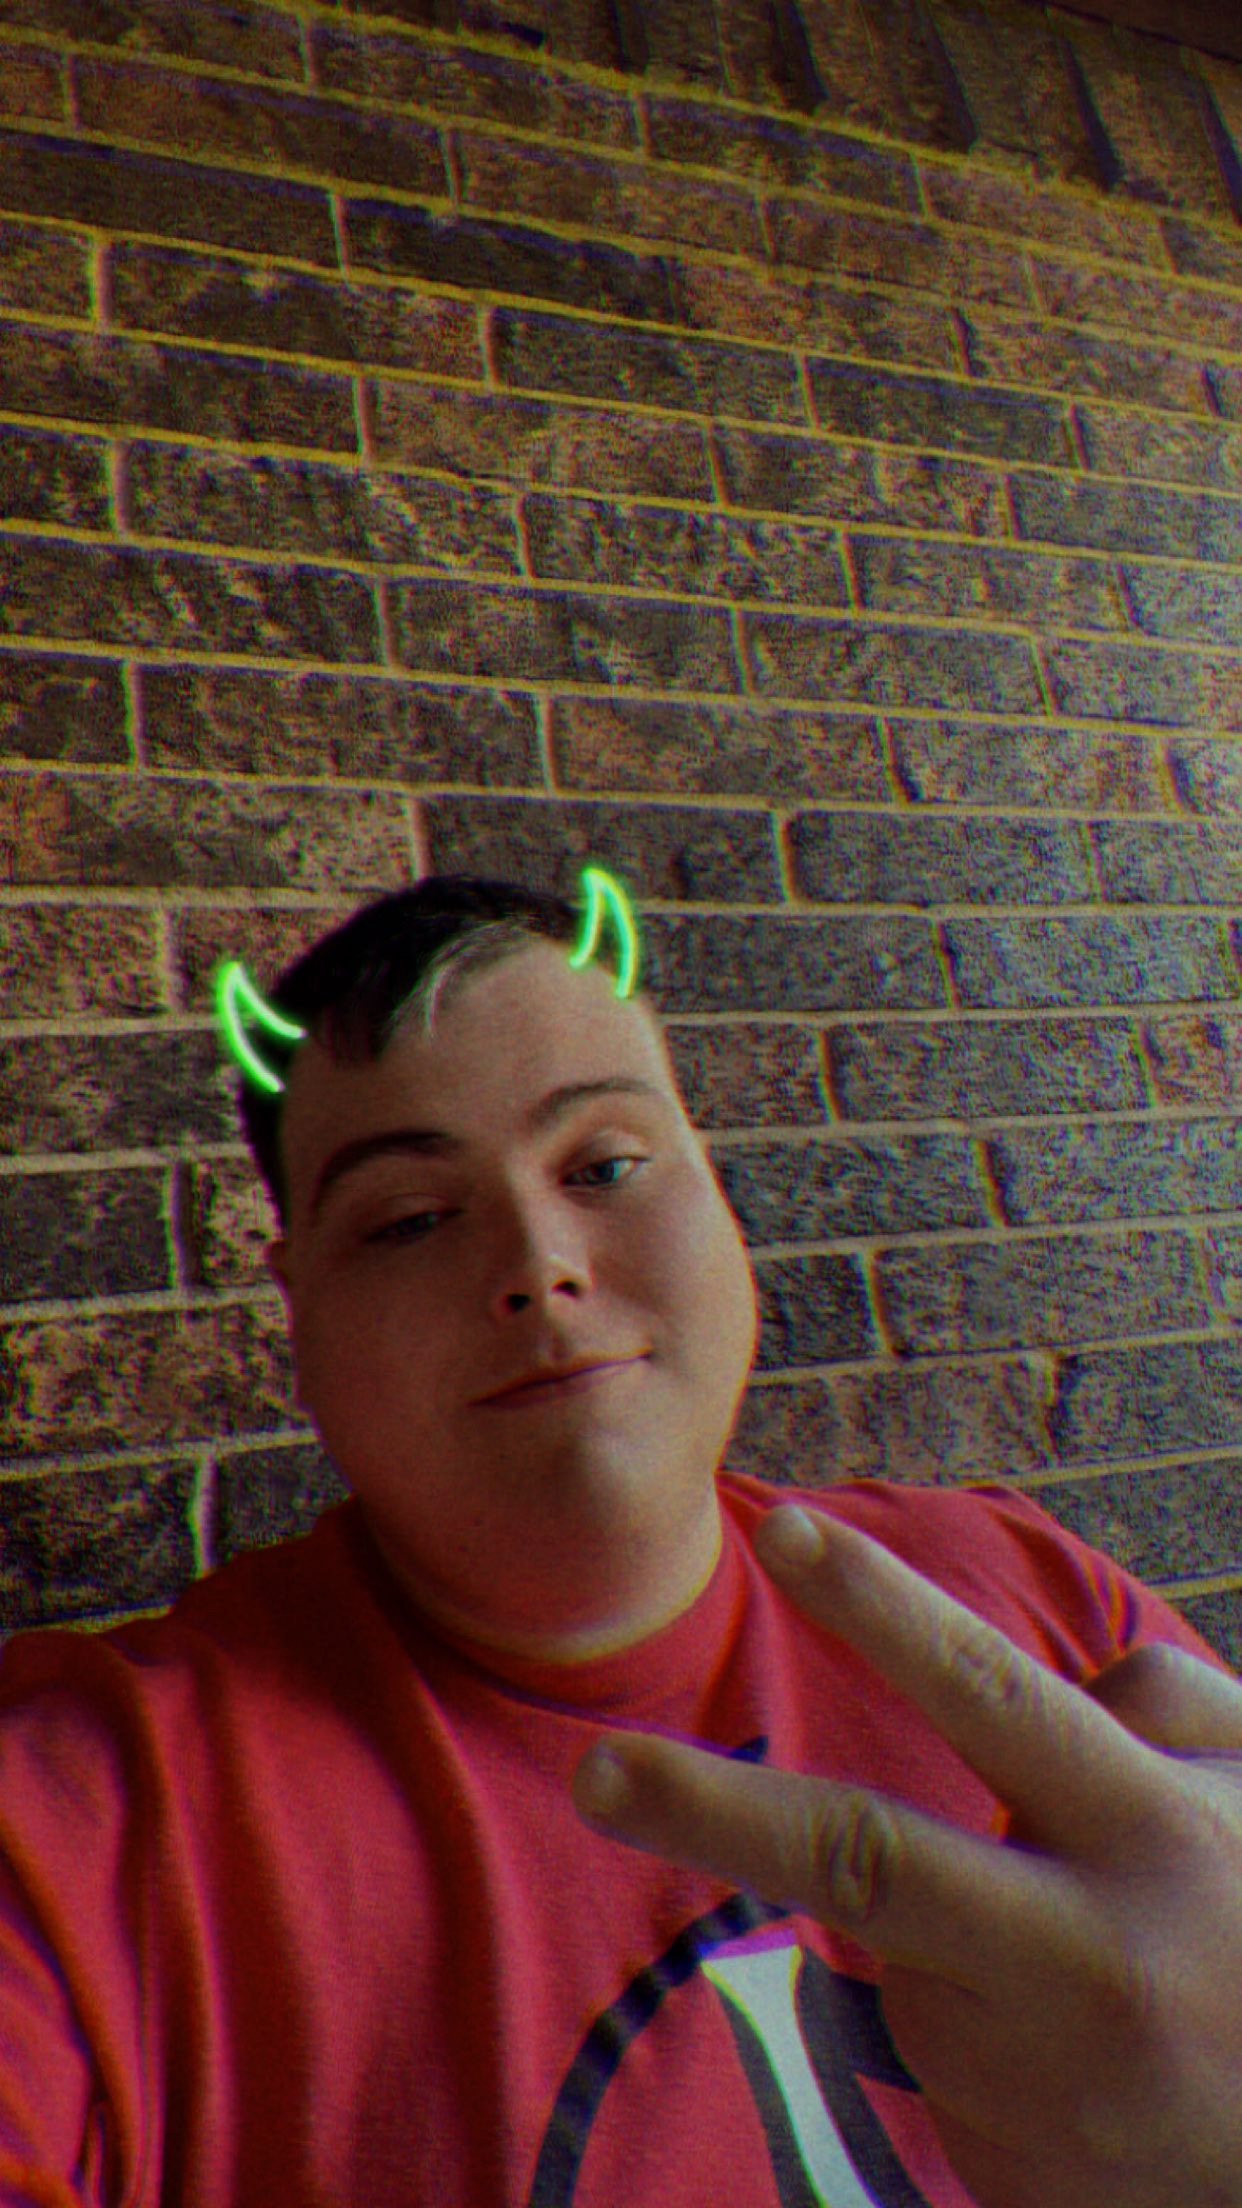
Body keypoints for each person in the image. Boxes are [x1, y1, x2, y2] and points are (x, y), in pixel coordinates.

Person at [0, 873, 1236, 2208]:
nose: (539, 1263)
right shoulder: (85, 1817)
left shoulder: (1043, 1606)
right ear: (297, 1312)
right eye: (409, 1220)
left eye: (603, 1166)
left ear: (715, 1188)